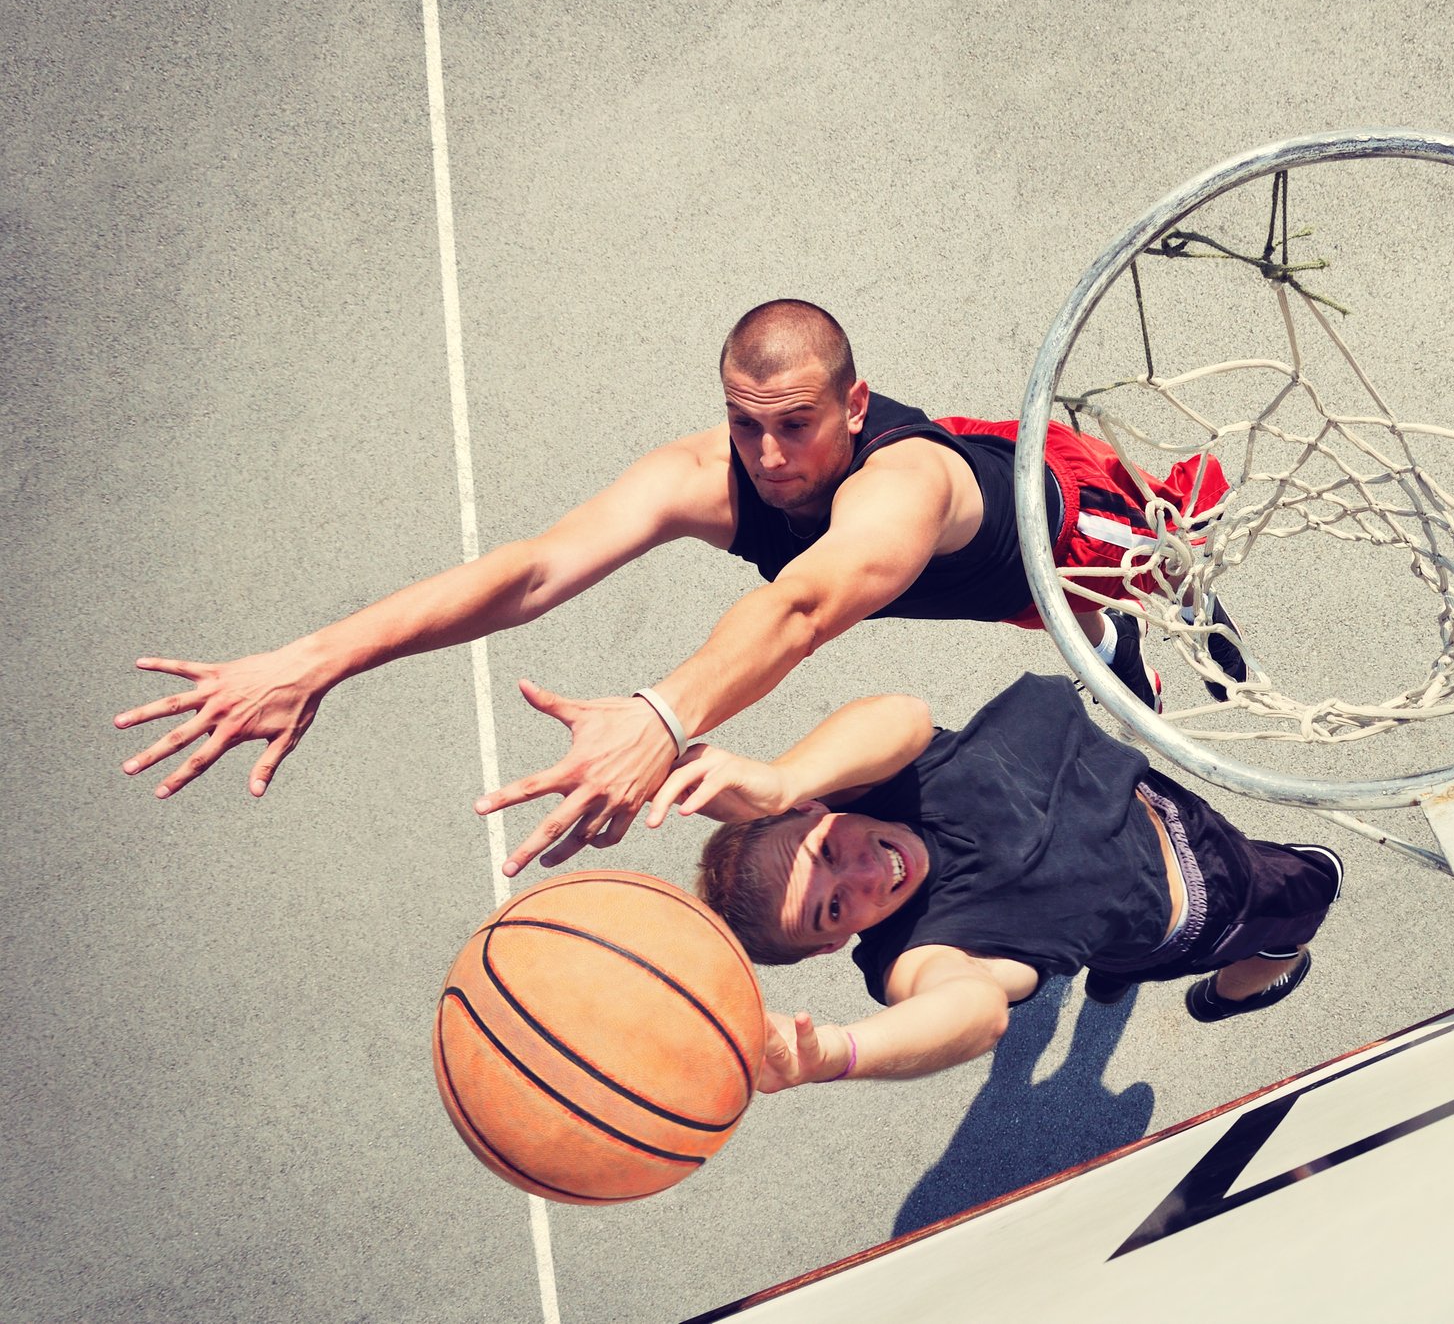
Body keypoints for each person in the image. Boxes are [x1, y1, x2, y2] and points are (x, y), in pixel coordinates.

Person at [114, 299, 1244, 877]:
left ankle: (1155, 608)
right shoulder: (708, 474)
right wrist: (319, 656)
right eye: (745, 423)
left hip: (1067, 521)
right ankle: (1109, 631)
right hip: (989, 583)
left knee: (1140, 573)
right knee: (1060, 623)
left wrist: (662, 715)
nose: (766, 454)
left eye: (795, 425)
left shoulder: (905, 486)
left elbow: (801, 607)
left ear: (854, 407)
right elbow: (531, 570)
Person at [659, 673, 1343, 1091]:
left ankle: (1110, 967)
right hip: (1208, 898)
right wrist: (840, 1050)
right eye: (832, 907)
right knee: (1314, 884)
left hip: (1157, 811)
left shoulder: (884, 777)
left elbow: (901, 714)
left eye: (828, 850)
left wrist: (769, 777)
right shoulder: (919, 953)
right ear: (829, 945)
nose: (868, 872)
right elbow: (972, 1011)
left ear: (815, 803)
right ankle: (1230, 992)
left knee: (1099, 944)